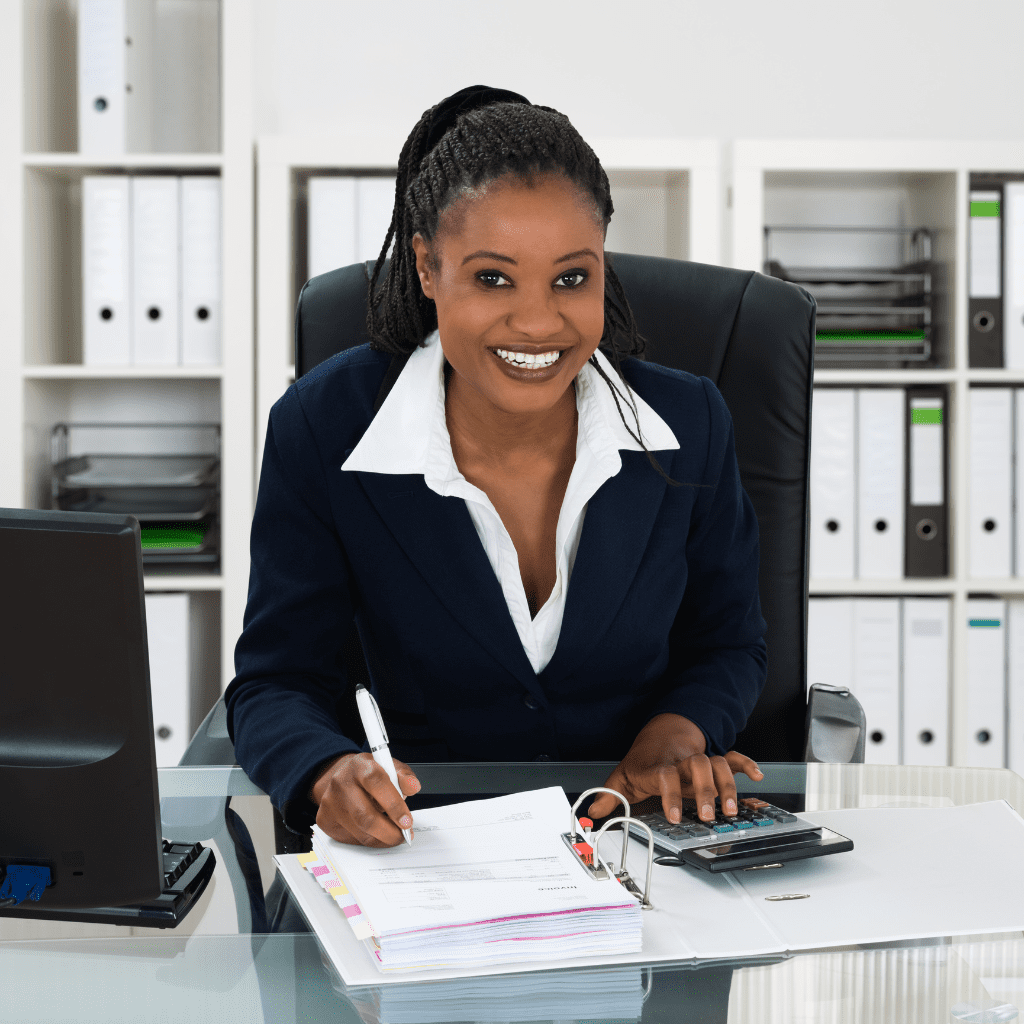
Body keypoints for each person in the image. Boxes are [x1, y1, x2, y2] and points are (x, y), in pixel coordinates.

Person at [225, 84, 768, 849]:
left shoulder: (690, 422)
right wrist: (323, 771)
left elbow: (728, 642)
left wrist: (678, 733)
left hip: (640, 846)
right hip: (424, 862)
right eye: (492, 278)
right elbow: (275, 682)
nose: (539, 320)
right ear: (425, 266)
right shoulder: (324, 427)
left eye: (571, 278)